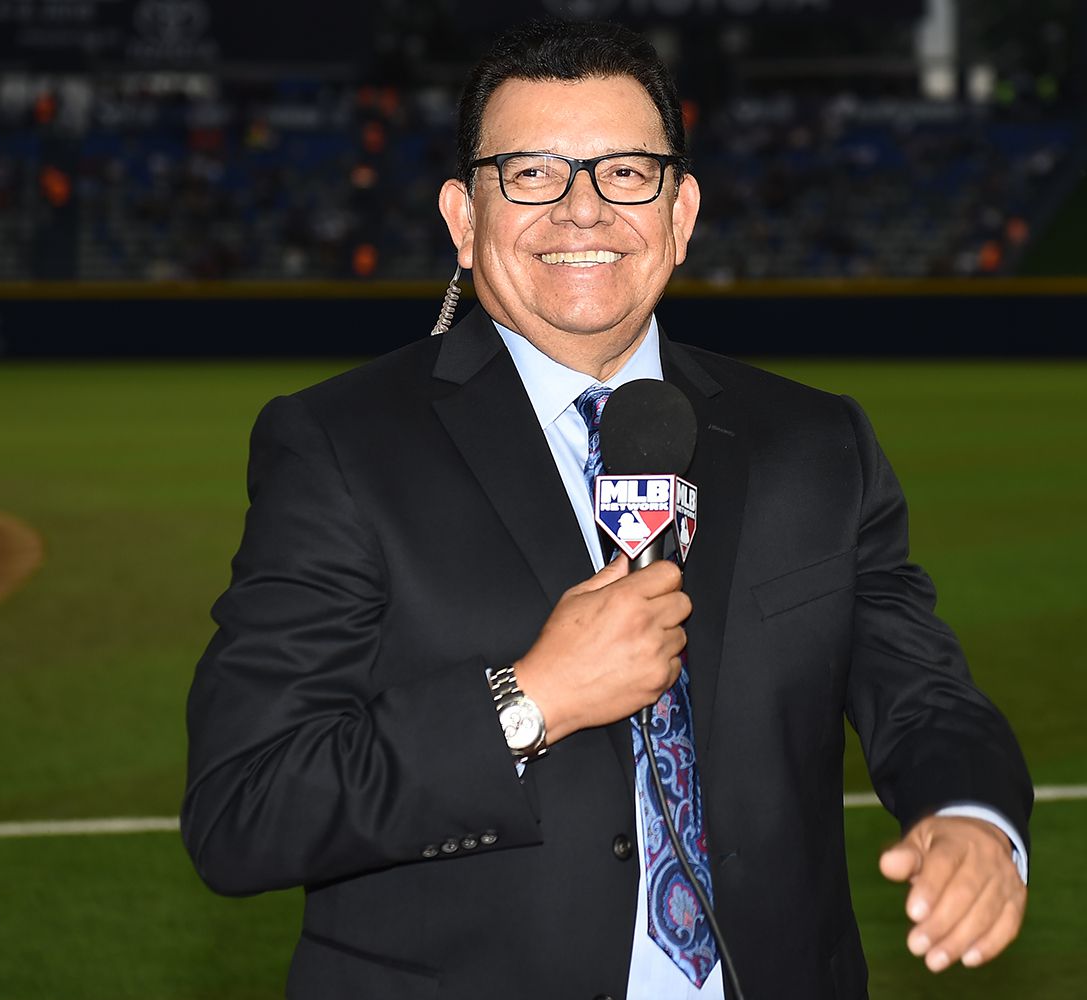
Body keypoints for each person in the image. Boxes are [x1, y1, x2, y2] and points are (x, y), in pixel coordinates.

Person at [182, 19, 1031, 1000]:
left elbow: (924, 697)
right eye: (532, 173)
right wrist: (528, 700)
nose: (582, 210)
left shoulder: (814, 443)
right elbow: (243, 807)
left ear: (681, 212)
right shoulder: (339, 444)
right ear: (464, 218)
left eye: (626, 173)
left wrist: (971, 814)